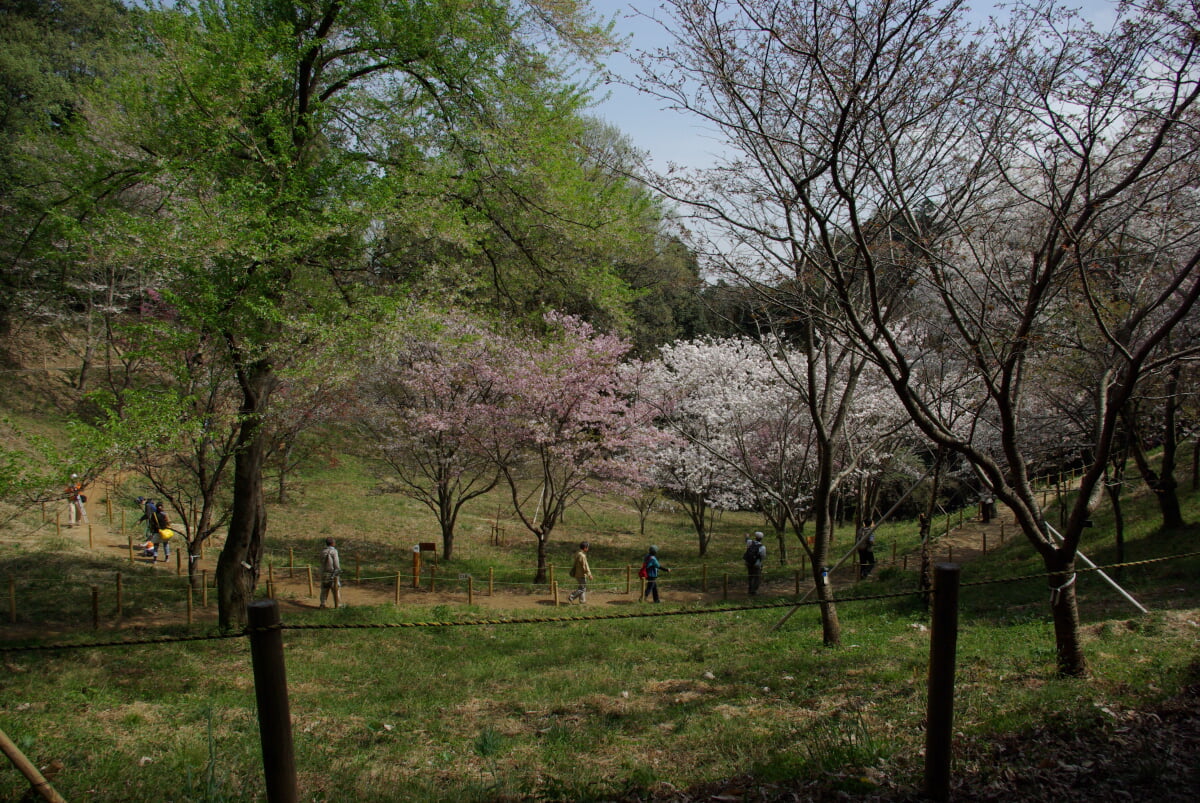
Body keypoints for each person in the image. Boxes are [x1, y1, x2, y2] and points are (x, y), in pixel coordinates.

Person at [319, 537, 341, 609]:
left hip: (324, 572)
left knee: (324, 589)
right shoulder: (334, 551)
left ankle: (323, 603)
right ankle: (338, 604)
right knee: (335, 589)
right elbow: (336, 563)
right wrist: (337, 570)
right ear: (332, 543)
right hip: (332, 572)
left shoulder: (323, 551)